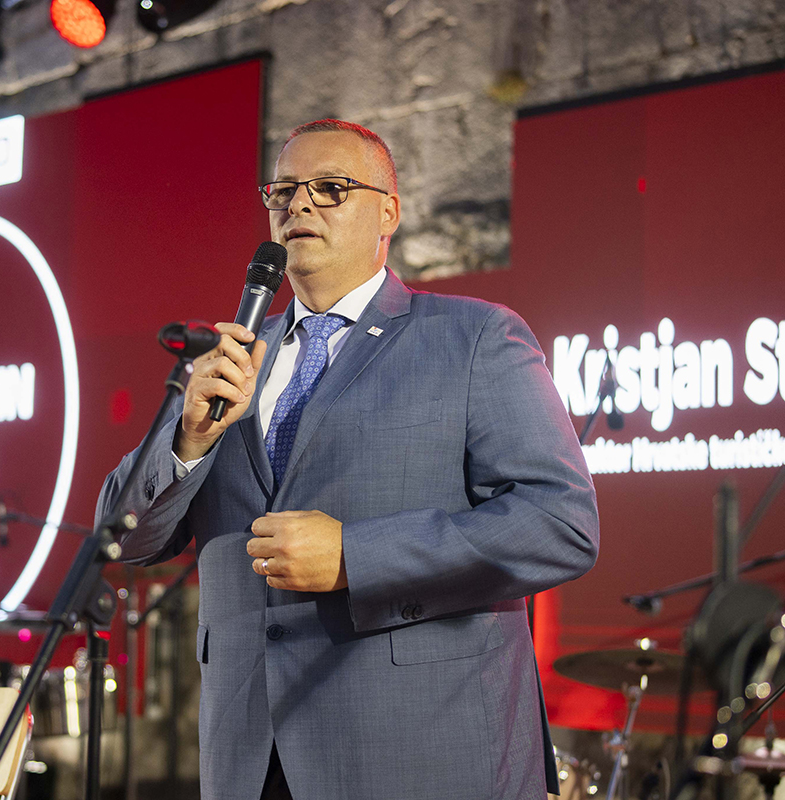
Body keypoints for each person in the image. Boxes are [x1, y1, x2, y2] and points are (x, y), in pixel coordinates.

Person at [96, 119, 599, 800]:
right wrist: (188, 441)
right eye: (283, 191)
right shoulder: (231, 359)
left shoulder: (475, 337)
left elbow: (559, 525)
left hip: (418, 755)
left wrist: (354, 557)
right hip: (249, 759)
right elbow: (122, 539)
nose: (299, 204)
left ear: (387, 213)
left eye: (330, 187)